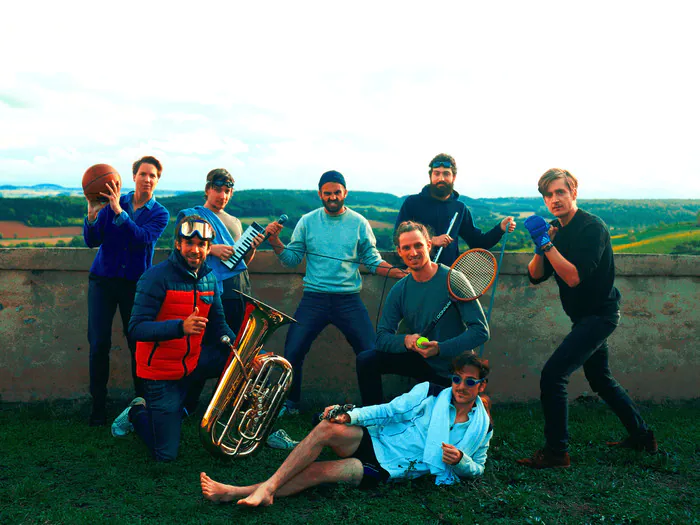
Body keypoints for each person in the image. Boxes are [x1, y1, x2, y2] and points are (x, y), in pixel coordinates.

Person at [200, 351, 494, 507]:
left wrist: (461, 461)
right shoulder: (431, 392)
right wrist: (350, 416)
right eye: (456, 379)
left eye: (469, 381)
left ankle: (236, 492)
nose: (460, 387)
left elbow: (478, 468)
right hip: (376, 439)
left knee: (318, 473)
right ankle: (268, 487)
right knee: (327, 427)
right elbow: (389, 410)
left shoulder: (483, 426)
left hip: (389, 467)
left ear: (481, 386)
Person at [517, 168, 656, 469]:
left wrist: (548, 244)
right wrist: (542, 245)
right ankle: (642, 436)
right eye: (548, 194)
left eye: (560, 192)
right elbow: (535, 275)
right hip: (583, 318)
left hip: (600, 316)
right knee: (601, 380)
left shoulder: (592, 228)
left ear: (573, 192)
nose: (554, 199)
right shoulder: (555, 230)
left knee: (553, 376)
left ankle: (556, 452)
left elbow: (574, 277)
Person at [265, 170, 408, 415]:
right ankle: (290, 404)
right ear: (320, 194)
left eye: (337, 192)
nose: (332, 197)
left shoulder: (359, 223)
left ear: (345, 193)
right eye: (327, 193)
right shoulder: (308, 221)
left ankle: (373, 409)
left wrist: (398, 273)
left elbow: (372, 261)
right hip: (314, 298)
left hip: (348, 300)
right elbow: (291, 259)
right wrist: (275, 241)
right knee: (293, 351)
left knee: (370, 351)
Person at [110, 215, 234, 461]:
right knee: (164, 453)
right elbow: (135, 328)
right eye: (189, 243)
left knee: (239, 365)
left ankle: (209, 415)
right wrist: (180, 327)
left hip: (193, 362)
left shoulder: (210, 278)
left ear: (209, 248)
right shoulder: (155, 277)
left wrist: (245, 352)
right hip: (161, 372)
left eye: (201, 244)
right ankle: (136, 411)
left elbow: (219, 325)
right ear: (178, 244)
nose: (195, 250)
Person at [356, 221, 489, 405]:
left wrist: (440, 348)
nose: (413, 252)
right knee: (367, 360)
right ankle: (372, 419)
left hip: (454, 370)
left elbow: (481, 331)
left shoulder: (454, 279)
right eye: (406, 247)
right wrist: (407, 340)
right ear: (399, 251)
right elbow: (381, 338)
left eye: (418, 245)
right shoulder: (400, 289)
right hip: (422, 363)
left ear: (428, 244)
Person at [83, 156, 169, 426]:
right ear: (134, 176)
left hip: (135, 285)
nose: (147, 179)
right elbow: (91, 241)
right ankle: (98, 406)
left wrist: (119, 212)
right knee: (98, 344)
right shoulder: (112, 198)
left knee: (138, 345)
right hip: (103, 281)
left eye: (153, 175)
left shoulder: (159, 213)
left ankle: (141, 406)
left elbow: (142, 238)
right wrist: (92, 215)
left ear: (157, 180)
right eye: (143, 174)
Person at [176, 168, 266, 334]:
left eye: (227, 191)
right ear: (207, 189)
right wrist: (211, 249)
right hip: (208, 290)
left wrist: (251, 249)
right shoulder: (193, 216)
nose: (222, 196)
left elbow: (242, 263)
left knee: (234, 343)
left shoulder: (236, 222)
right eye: (218, 190)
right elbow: (180, 252)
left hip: (238, 291)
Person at [395, 153, 515, 266]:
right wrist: (431, 240)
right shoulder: (412, 203)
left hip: (448, 279)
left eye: (446, 174)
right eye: (436, 173)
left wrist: (500, 229)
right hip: (416, 275)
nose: (441, 178)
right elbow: (398, 237)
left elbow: (477, 243)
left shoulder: (459, 208)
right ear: (430, 176)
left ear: (454, 177)